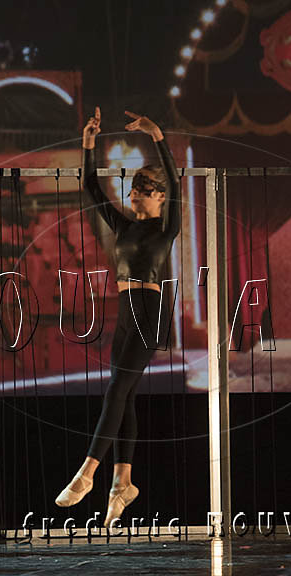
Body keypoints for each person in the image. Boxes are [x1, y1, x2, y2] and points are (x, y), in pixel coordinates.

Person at [55, 106, 181, 528]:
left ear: (159, 197)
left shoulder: (165, 229)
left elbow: (175, 180)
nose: (135, 193)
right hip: (126, 312)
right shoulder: (124, 227)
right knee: (123, 395)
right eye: (134, 188)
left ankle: (87, 472)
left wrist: (156, 134)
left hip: (149, 313)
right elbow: (91, 185)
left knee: (115, 391)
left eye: (145, 189)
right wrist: (88, 141)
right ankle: (122, 483)